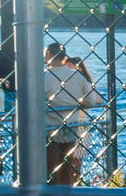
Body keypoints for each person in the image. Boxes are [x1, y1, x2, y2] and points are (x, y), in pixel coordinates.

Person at [43, 42, 103, 186]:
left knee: (49, 167)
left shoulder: (43, 77)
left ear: (49, 54)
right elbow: (90, 102)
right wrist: (74, 104)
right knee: (67, 167)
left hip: (50, 128)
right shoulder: (77, 76)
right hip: (72, 126)